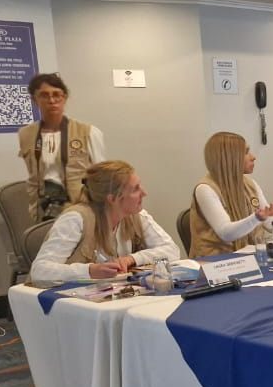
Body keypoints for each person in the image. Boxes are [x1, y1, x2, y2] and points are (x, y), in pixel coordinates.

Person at [31, 160, 179, 283]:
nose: (144, 193)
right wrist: (88, 271)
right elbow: (39, 271)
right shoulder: (76, 219)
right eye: (135, 189)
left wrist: (132, 259)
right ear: (112, 198)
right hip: (67, 302)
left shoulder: (136, 215)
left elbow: (171, 250)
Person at [18, 73, 106, 221]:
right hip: (42, 208)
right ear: (34, 99)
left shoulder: (88, 132)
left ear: (64, 97)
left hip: (79, 207)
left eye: (56, 95)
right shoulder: (25, 134)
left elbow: (101, 175)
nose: (51, 100)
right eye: (44, 95)